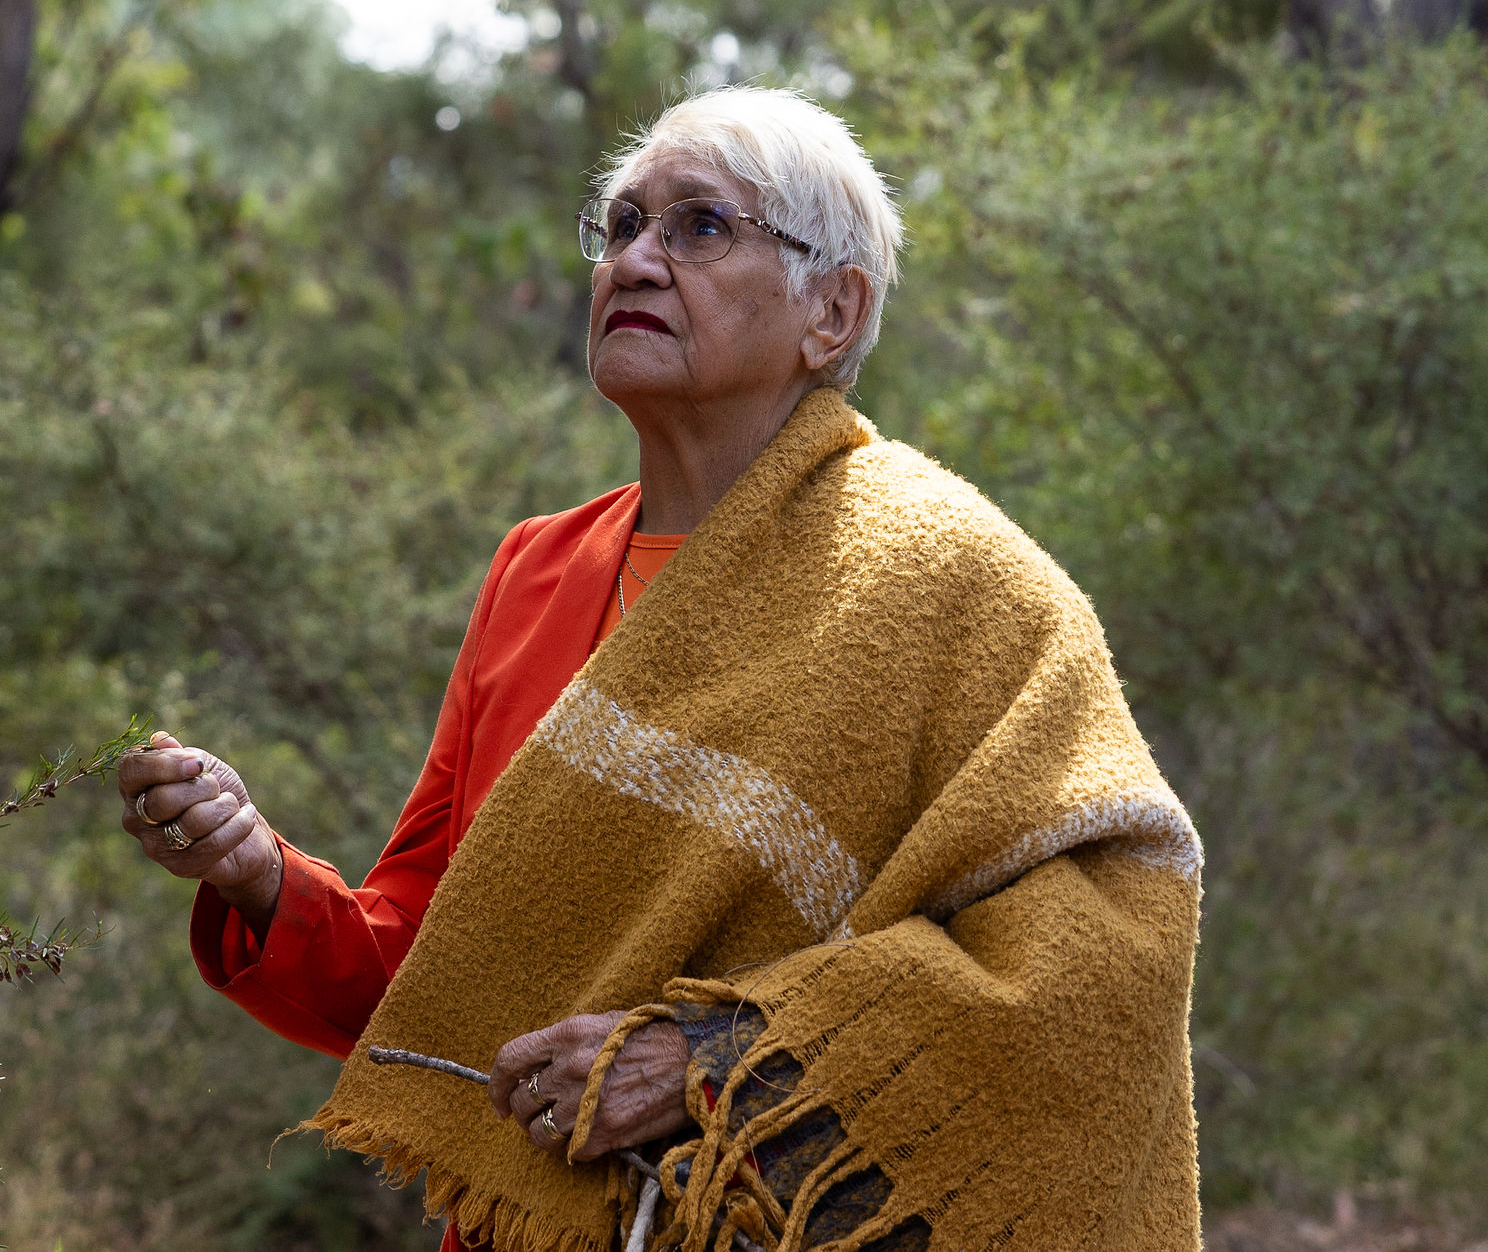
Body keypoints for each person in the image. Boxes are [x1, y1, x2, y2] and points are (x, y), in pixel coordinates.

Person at [116, 87, 1204, 1252]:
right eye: (623, 224)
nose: (634, 260)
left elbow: (1108, 941)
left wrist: (714, 1061)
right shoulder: (536, 572)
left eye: (700, 227)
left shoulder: (950, 578)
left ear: (831, 312)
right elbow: (440, 979)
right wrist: (260, 878)